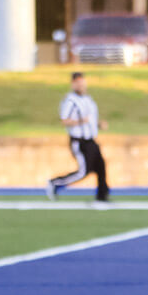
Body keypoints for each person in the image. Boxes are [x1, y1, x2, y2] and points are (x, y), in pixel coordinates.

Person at [46, 72, 109, 202]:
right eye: (77, 82)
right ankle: (55, 183)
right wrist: (81, 121)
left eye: (82, 82)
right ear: (73, 84)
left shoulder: (87, 99)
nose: (81, 85)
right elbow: (64, 120)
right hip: (79, 141)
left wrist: (98, 124)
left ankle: (102, 196)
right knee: (84, 171)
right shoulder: (70, 101)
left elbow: (90, 120)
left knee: (100, 166)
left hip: (91, 139)